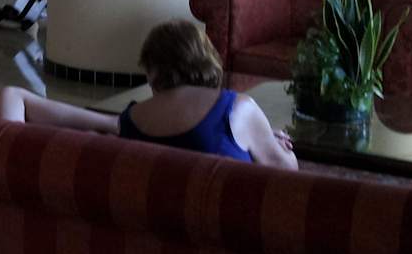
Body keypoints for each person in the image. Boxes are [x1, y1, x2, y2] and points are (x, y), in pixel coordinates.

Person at [119, 20, 297, 168]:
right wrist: (277, 145)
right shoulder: (238, 108)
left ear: (152, 69)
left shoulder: (130, 119)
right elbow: (287, 170)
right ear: (205, 60)